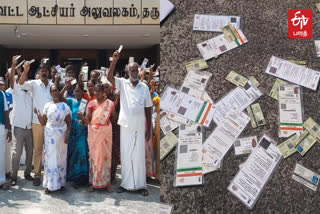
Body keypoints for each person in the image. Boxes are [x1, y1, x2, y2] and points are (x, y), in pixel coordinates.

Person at [107, 51, 153, 196]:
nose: (134, 72)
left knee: (139, 155)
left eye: (136, 70)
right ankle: (125, 184)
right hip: (126, 126)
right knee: (126, 155)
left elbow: (148, 108)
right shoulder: (123, 83)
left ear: (139, 71)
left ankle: (140, 185)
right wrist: (114, 62)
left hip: (139, 126)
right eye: (131, 70)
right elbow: (109, 77)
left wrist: (149, 127)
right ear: (127, 71)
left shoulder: (144, 87)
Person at [19, 62, 53, 186]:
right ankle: (37, 174)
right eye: (41, 70)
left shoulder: (52, 85)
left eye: (45, 70)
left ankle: (50, 174)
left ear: (48, 72)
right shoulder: (34, 83)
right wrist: (26, 70)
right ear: (38, 73)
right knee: (38, 150)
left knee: (49, 150)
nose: (44, 72)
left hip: (51, 124)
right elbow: (21, 83)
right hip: (37, 122)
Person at [34, 84, 72, 194]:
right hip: (50, 136)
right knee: (49, 160)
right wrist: (38, 115)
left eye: (56, 90)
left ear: (59, 92)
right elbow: (43, 123)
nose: (55, 92)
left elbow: (69, 123)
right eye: (53, 91)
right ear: (50, 93)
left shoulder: (64, 106)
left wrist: (68, 134)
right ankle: (49, 185)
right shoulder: (47, 106)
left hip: (61, 137)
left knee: (60, 160)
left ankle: (60, 184)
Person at [78, 83, 113, 192]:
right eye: (95, 91)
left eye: (99, 91)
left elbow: (114, 117)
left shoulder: (109, 104)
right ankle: (93, 182)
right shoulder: (91, 104)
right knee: (94, 157)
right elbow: (88, 120)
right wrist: (82, 118)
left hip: (106, 132)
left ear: (103, 92)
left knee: (106, 158)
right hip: (94, 133)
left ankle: (106, 183)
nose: (96, 93)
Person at [9, 57, 34, 186]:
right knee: (17, 152)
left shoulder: (30, 93)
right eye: (20, 80)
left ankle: (27, 173)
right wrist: (14, 66)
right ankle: (14, 176)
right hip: (18, 126)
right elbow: (13, 77)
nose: (22, 82)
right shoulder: (15, 90)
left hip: (29, 127)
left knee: (30, 152)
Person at [64, 83, 89, 186]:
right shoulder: (70, 101)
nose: (77, 93)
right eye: (76, 91)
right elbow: (61, 98)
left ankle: (82, 178)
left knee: (81, 153)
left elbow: (87, 118)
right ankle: (73, 177)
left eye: (79, 91)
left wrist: (82, 120)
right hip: (72, 132)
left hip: (81, 131)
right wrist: (66, 87)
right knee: (73, 154)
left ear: (83, 92)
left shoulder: (85, 103)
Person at [104, 81, 121, 182]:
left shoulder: (115, 98)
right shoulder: (100, 99)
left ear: (111, 88)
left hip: (115, 129)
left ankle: (112, 174)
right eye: (104, 88)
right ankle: (105, 173)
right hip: (104, 130)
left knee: (114, 152)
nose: (105, 90)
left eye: (107, 87)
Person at [0, 88, 11, 190]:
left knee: (1, 154)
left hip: (1, 127)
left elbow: (6, 112)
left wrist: (9, 130)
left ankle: (2, 180)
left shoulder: (2, 94)